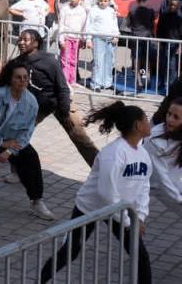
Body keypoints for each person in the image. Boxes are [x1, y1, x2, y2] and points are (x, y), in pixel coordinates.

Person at [39, 102, 152, 284]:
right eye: (146, 119)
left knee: (141, 256)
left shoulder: (143, 154)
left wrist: (140, 216)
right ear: (138, 126)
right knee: (70, 252)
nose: (149, 123)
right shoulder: (114, 153)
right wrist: (129, 222)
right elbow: (107, 194)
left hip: (120, 211)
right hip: (91, 207)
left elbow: (144, 187)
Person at [7, 29, 98, 166]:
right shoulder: (16, 63)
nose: (21, 42)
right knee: (17, 134)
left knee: (81, 138)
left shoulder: (49, 61)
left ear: (36, 43)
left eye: (25, 40)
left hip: (59, 102)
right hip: (36, 106)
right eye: (19, 39)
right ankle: (17, 168)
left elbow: (62, 87)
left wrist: (65, 111)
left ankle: (100, 168)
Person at [0, 63, 55, 220]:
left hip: (10, 139)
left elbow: (26, 133)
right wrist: (0, 143)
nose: (22, 81)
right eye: (18, 77)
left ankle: (36, 201)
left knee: (30, 157)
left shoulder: (31, 102)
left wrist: (9, 151)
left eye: (25, 78)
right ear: (10, 79)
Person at [146, 97, 182, 213]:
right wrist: (179, 198)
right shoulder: (155, 139)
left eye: (176, 117)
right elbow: (160, 177)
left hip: (170, 185)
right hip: (150, 187)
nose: (170, 119)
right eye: (169, 114)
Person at [84, 0, 120, 92]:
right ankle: (96, 84)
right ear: (98, 0)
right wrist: (88, 39)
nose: (103, 3)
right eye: (101, 0)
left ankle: (107, 83)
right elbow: (89, 25)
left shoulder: (111, 11)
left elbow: (114, 24)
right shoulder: (93, 10)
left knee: (109, 62)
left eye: (105, 1)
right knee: (98, 62)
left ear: (109, 1)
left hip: (110, 39)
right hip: (98, 39)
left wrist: (116, 36)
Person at [58, 0, 86, 86]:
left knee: (74, 60)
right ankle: (65, 80)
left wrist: (83, 39)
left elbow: (83, 25)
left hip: (76, 38)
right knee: (65, 59)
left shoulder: (82, 10)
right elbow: (61, 24)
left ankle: (72, 80)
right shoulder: (65, 9)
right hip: (66, 37)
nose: (73, 0)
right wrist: (61, 40)